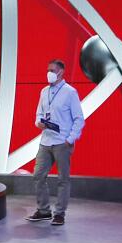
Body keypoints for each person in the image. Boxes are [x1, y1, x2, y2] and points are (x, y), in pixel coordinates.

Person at [27, 59, 86, 226]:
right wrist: (39, 123)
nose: (49, 73)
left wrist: (70, 139)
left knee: (63, 179)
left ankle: (60, 213)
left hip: (62, 142)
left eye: (52, 70)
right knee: (38, 175)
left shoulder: (70, 92)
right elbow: (39, 114)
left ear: (61, 72)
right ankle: (44, 210)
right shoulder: (44, 91)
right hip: (45, 140)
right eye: (48, 70)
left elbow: (79, 118)